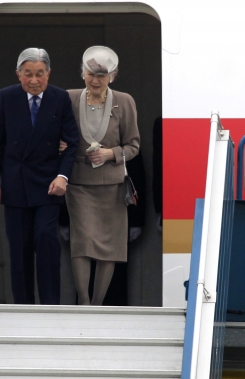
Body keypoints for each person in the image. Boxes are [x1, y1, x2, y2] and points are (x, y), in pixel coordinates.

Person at [0, 48, 79, 305]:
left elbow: (72, 143)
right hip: (15, 186)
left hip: (49, 186)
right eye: (28, 74)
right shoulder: (7, 97)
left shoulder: (60, 98)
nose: (35, 80)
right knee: (19, 248)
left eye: (40, 74)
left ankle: (50, 306)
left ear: (48, 74)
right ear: (18, 74)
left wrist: (63, 176)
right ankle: (22, 308)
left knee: (46, 239)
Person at [65, 46, 140, 305]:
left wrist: (110, 154)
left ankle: (97, 304)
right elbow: (56, 134)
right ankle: (83, 302)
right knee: (82, 244)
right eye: (90, 74)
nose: (95, 80)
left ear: (113, 76)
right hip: (79, 183)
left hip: (112, 185)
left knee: (109, 248)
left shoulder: (125, 101)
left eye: (102, 75)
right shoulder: (69, 98)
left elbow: (134, 145)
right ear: (82, 74)